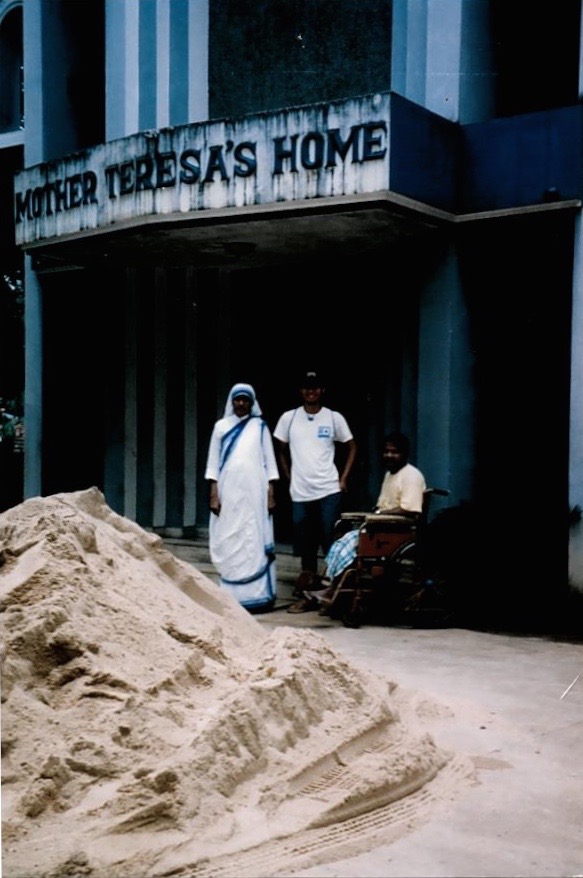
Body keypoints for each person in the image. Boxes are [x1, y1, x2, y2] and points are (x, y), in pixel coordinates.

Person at [290, 430, 427, 613]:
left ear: (404, 454)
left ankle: (331, 590)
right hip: (382, 526)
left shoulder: (411, 475)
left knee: (353, 542)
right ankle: (330, 586)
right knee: (341, 540)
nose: (389, 455)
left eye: (394, 452)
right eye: (386, 451)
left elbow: (409, 510)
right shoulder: (390, 475)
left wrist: (379, 515)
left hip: (397, 531)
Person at [273, 370, 357, 596]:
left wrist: (343, 478)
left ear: (322, 391)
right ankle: (307, 582)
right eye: (307, 387)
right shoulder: (288, 418)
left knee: (329, 536)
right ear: (301, 391)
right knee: (304, 540)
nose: (311, 391)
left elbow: (351, 446)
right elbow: (279, 448)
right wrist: (288, 476)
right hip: (301, 492)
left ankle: (332, 584)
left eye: (316, 387)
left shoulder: (333, 417)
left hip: (329, 489)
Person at [204, 382, 279, 612]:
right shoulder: (221, 427)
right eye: (237, 399)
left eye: (245, 400)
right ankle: (232, 598)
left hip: (255, 494)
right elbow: (213, 464)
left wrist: (270, 493)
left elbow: (269, 463)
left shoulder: (260, 427)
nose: (241, 404)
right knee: (230, 538)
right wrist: (214, 493)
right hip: (229, 492)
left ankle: (257, 597)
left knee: (253, 539)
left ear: (251, 402)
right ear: (231, 401)